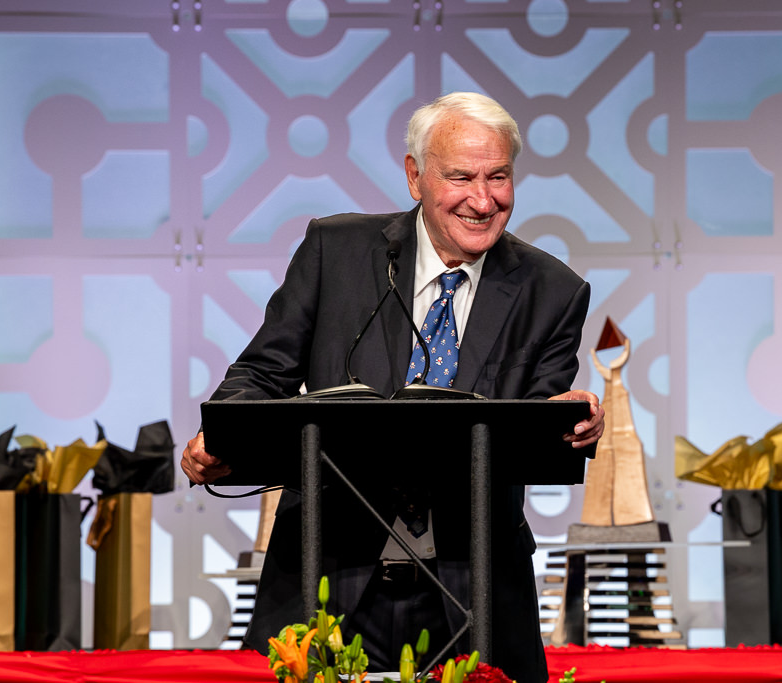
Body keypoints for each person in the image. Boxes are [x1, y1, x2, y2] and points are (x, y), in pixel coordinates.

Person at [181, 92, 604, 683]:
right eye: (461, 177)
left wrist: (569, 420)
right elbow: (259, 375)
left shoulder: (554, 292)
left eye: (499, 177)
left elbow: (533, 421)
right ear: (415, 176)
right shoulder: (337, 252)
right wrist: (224, 435)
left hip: (472, 593)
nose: (483, 201)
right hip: (327, 577)